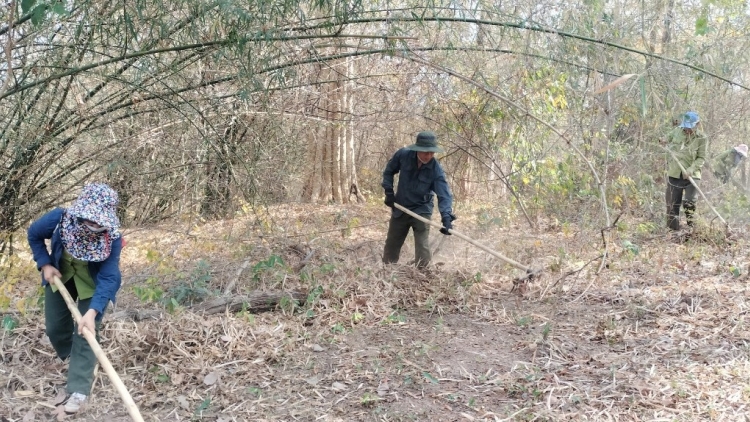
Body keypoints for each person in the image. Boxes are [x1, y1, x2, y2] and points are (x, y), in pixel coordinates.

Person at [27, 183, 123, 414]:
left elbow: (110, 277)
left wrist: (92, 313)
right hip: (61, 275)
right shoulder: (58, 219)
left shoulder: (113, 238)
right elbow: (34, 234)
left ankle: (79, 388)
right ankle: (77, 357)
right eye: (90, 221)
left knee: (86, 332)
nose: (95, 225)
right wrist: (45, 264)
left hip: (93, 284)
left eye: (100, 223)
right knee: (54, 326)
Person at [381, 131, 456, 269]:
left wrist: (446, 216)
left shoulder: (436, 169)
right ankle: (387, 271)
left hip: (422, 209)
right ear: (417, 149)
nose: (428, 156)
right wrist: (389, 191)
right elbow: (389, 171)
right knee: (392, 244)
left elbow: (444, 194)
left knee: (422, 245)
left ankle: (423, 274)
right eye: (425, 152)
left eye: (431, 153)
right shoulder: (403, 155)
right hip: (401, 206)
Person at [664, 111, 707, 231]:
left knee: (689, 202)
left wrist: (691, 169)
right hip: (675, 173)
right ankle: (673, 230)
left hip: (692, 175)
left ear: (697, 124)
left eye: (690, 127)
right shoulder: (677, 131)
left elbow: (701, 158)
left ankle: (691, 228)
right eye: (686, 127)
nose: (687, 130)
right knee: (672, 203)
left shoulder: (702, 138)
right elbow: (667, 138)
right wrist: (663, 140)